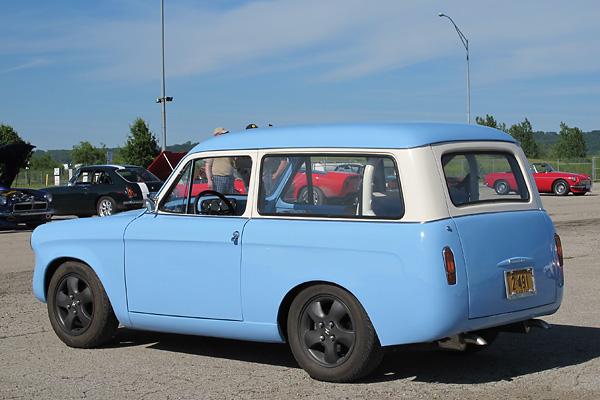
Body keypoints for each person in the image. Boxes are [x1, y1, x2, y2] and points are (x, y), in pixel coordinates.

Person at [205, 127, 242, 193]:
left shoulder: (228, 147)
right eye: (223, 135)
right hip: (218, 178)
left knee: (230, 198)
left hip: (230, 177)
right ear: (217, 135)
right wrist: (209, 179)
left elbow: (235, 158)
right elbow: (208, 165)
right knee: (219, 198)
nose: (225, 136)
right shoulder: (212, 147)